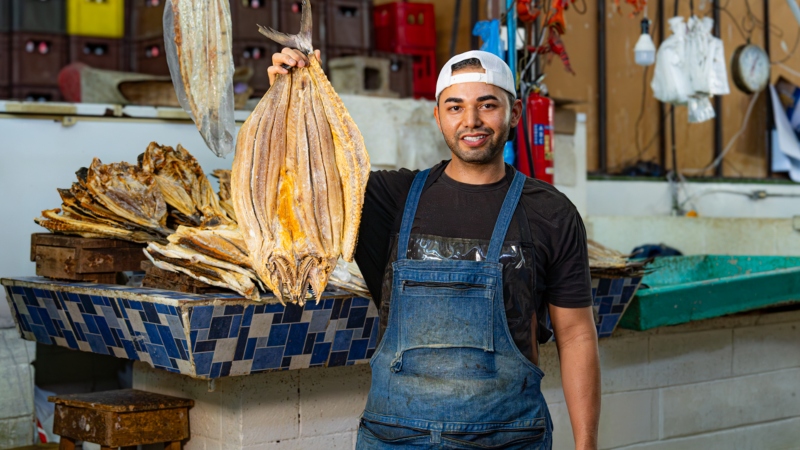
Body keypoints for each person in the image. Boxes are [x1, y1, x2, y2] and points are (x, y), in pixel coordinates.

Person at [268, 48, 600, 450]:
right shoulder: (388, 198)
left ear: (513, 114)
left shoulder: (550, 212)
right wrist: (289, 93)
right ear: (438, 116)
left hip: (507, 438)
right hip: (396, 438)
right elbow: (305, 180)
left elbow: (577, 335)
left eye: (487, 105)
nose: (471, 121)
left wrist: (586, 446)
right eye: (455, 106)